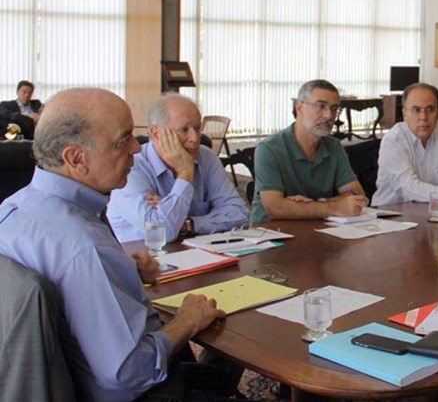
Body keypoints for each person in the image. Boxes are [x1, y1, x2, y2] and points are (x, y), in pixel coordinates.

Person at [0, 88, 229, 401]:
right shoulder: (85, 246)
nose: (136, 148)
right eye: (123, 140)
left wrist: (120, 268)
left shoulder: (12, 208)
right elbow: (128, 374)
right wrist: (187, 321)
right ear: (76, 158)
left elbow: (59, 280)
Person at [107, 93, 249, 243]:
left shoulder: (206, 157)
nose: (195, 138)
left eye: (197, 128)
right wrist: (185, 172)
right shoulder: (131, 167)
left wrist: (188, 224)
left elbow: (240, 213)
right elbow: (162, 231)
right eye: (184, 130)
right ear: (156, 133)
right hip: (141, 255)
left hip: (196, 251)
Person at [251, 79, 368, 222]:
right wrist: (335, 207)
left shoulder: (334, 146)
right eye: (321, 106)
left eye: (334, 109)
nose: (329, 116)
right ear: (299, 107)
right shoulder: (269, 149)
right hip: (271, 231)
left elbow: (356, 195)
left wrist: (312, 205)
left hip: (319, 227)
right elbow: (275, 208)